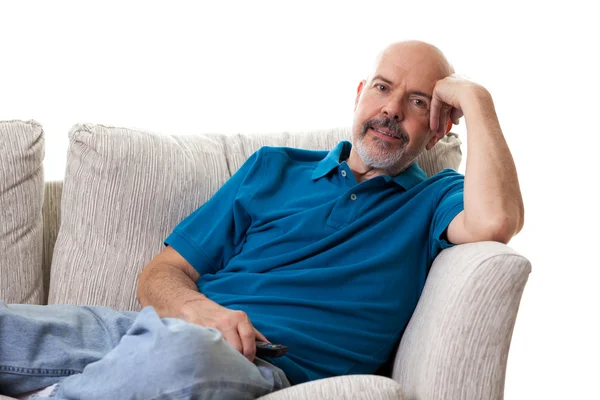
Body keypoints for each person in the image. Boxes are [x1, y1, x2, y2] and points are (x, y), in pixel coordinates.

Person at [0, 40, 524, 399]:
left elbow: (498, 222)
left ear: (438, 128)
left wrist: (478, 102)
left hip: (251, 360)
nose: (391, 110)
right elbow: (161, 272)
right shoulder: (273, 168)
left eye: (417, 102)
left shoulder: (436, 199)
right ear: (359, 93)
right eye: (383, 89)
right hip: (155, 330)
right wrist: (198, 310)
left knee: (183, 359)